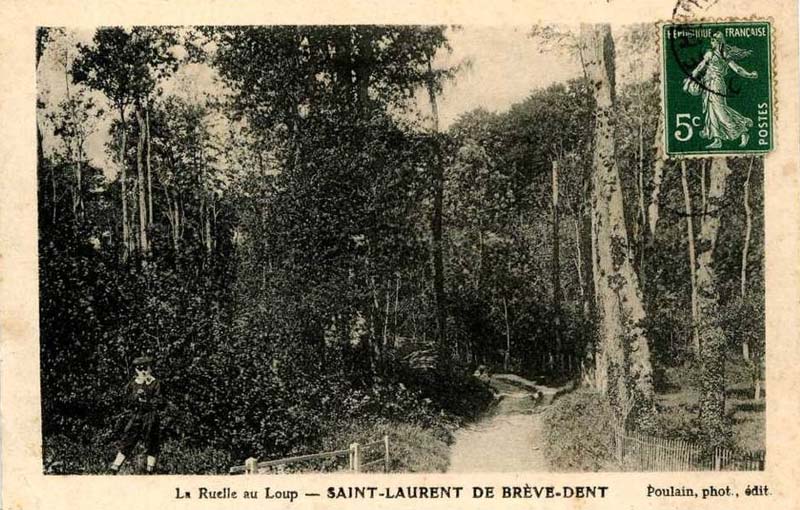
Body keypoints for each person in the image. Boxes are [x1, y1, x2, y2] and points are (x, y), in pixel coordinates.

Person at [683, 31, 758, 149]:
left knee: (720, 111)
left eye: (713, 40)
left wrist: (749, 75)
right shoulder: (710, 54)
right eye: (711, 40)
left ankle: (743, 131)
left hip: (717, 84)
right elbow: (699, 67)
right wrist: (689, 80)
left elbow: (737, 69)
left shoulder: (724, 55)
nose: (711, 42)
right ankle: (717, 139)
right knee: (711, 111)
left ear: (719, 42)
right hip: (708, 84)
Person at [109, 356, 163, 474]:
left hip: (150, 416)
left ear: (150, 369)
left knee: (151, 441)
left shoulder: (155, 383)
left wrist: (146, 399)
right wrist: (135, 397)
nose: (143, 372)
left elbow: (159, 402)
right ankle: (114, 468)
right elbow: (126, 401)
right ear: (135, 370)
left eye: (145, 368)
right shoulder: (133, 384)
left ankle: (150, 470)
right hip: (136, 415)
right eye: (139, 369)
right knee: (128, 439)